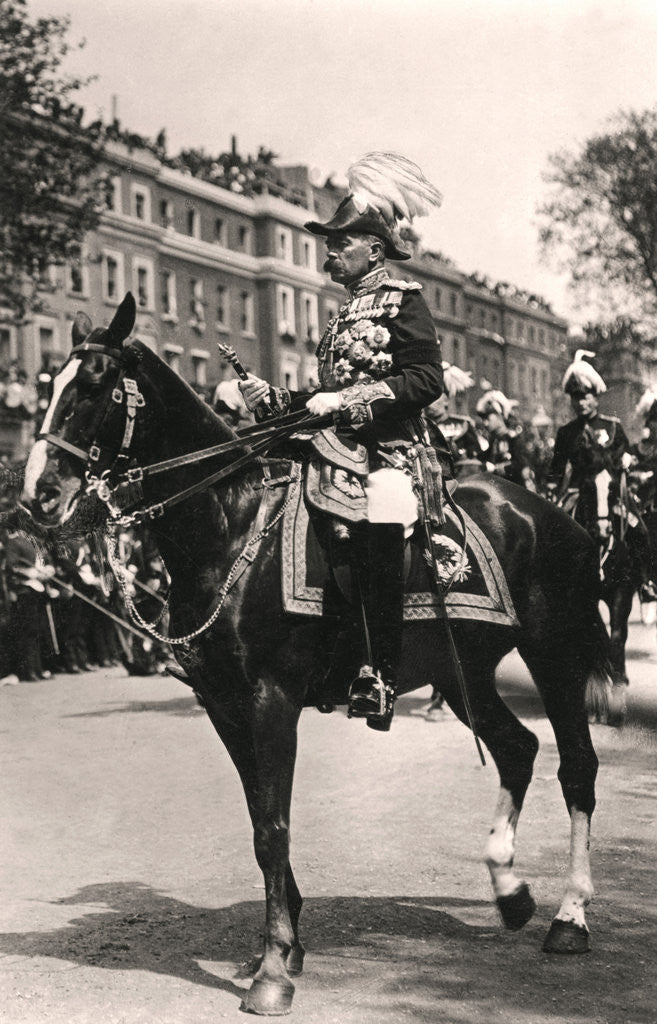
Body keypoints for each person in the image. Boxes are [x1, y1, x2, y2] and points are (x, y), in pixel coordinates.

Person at [239, 153, 444, 730]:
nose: (329, 251)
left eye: (338, 242)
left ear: (372, 248)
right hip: (333, 449)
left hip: (390, 449)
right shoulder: (338, 319)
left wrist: (352, 401)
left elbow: (425, 378)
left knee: (381, 513)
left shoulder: (405, 299)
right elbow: (323, 392)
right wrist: (277, 402)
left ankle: (378, 672)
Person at [549, 350, 657, 602]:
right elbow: (555, 469)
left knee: (639, 530)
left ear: (596, 397)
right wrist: (552, 488)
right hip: (577, 494)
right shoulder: (566, 433)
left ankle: (644, 582)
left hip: (611, 495)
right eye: (575, 397)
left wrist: (626, 461)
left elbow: (626, 454)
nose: (581, 402)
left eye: (585, 396)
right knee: (552, 533)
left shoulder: (612, 426)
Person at [424, 362, 484, 477]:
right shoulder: (421, 425)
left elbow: (475, 459)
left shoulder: (462, 425)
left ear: (446, 400)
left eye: (435, 397)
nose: (429, 403)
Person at [475, 390, 536, 491]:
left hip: (517, 489)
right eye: (483, 419)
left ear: (499, 415)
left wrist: (495, 469)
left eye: (488, 418)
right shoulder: (494, 439)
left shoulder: (513, 437)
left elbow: (521, 463)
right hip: (500, 488)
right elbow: (484, 457)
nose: (485, 423)